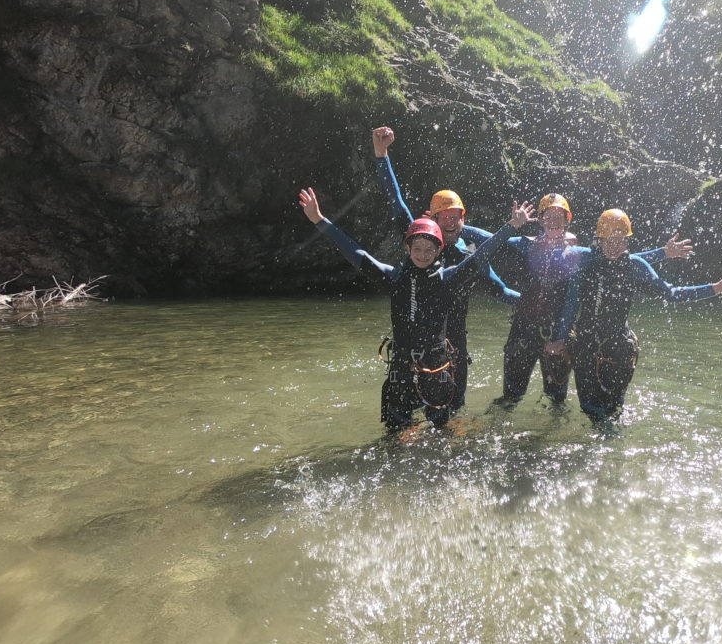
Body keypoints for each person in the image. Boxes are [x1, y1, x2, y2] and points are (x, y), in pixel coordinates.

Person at [297, 186, 531, 431]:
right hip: (401, 369)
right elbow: (357, 253)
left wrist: (510, 228)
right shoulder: (394, 278)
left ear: (439, 250)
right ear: (407, 249)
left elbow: (480, 256)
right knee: (395, 436)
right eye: (417, 248)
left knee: (441, 435)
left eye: (429, 249)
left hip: (438, 369)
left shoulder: (448, 279)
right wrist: (320, 221)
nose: (423, 254)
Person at [490, 195, 695, 409]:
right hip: (524, 330)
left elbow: (618, 259)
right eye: (548, 215)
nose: (553, 221)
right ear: (539, 219)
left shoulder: (577, 254)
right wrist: (512, 226)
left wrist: (662, 253)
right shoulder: (525, 245)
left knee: (557, 402)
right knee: (510, 398)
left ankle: (553, 438)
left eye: (559, 216)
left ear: (568, 220)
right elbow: (487, 246)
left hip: (559, 333)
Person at [371, 127, 519, 413]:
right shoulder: (420, 241)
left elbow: (499, 289)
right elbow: (396, 202)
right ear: (432, 217)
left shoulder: (469, 256)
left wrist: (534, 303)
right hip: (414, 342)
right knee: (405, 415)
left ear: (463, 219)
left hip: (453, 344)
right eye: (444, 216)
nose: (450, 222)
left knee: (451, 412)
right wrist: (382, 154)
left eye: (456, 216)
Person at [553, 208, 722, 423]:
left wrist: (715, 288)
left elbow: (670, 293)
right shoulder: (583, 260)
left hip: (618, 346)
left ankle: (613, 446)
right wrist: (560, 336)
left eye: (621, 240)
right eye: (609, 241)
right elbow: (570, 302)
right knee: (589, 408)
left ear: (627, 240)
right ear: (599, 239)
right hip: (586, 344)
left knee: (613, 409)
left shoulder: (634, 265)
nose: (615, 246)